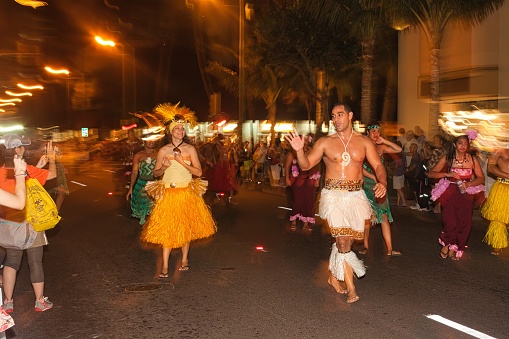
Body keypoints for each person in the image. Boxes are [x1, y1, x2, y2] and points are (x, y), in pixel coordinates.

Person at [285, 102, 387, 304]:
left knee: (348, 241)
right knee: (342, 241)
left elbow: (377, 165)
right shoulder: (325, 142)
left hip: (356, 195)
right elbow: (306, 165)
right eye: (333, 116)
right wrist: (298, 151)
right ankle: (351, 288)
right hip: (333, 196)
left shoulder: (364, 142)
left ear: (350, 116)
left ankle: (333, 276)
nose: (335, 119)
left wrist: (382, 181)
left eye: (340, 115)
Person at [140, 116, 217, 277]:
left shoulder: (190, 149)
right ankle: (165, 266)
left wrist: (182, 162)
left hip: (186, 192)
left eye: (182, 129)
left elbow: (199, 172)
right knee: (168, 229)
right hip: (169, 193)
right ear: (171, 131)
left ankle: (184, 260)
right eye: (177, 128)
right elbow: (155, 173)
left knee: (185, 227)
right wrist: (163, 167)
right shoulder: (163, 150)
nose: (180, 131)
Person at [0, 136, 57, 312]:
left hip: (7, 224)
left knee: (11, 262)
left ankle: (8, 302)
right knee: (35, 261)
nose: (24, 150)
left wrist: (37, 167)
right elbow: (52, 175)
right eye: (22, 147)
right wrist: (53, 159)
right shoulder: (25, 169)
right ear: (16, 150)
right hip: (28, 223)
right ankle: (40, 301)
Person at [428, 132, 485, 260]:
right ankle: (446, 243)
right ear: (454, 145)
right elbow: (431, 174)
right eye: (460, 143)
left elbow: (481, 178)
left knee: (464, 223)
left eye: (465, 143)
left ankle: (454, 246)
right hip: (450, 192)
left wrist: (469, 183)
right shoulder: (447, 158)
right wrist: (447, 175)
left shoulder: (472, 159)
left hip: (466, 193)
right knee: (450, 221)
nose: (463, 146)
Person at [361, 122, 402, 256]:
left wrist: (384, 141)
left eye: (378, 131)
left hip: (380, 185)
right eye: (373, 131)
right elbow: (359, 167)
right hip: (367, 185)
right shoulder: (363, 147)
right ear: (368, 133)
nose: (376, 134)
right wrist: (373, 177)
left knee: (384, 216)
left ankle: (390, 249)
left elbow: (398, 150)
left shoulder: (381, 148)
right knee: (367, 218)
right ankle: (365, 246)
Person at [285, 134, 320, 234]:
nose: (305, 142)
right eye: (303, 140)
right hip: (297, 180)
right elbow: (287, 167)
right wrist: (287, 178)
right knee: (297, 200)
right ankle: (294, 221)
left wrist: (317, 178)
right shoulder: (292, 153)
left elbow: (316, 165)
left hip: (309, 179)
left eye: (306, 141)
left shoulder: (311, 151)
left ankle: (306, 222)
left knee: (308, 200)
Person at [481, 148, 509, 255]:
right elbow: (491, 168)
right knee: (498, 218)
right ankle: (498, 243)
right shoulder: (499, 150)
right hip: (502, 187)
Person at [126, 136, 160, 225]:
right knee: (141, 207)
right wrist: (131, 188)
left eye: (153, 140)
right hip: (141, 184)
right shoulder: (138, 155)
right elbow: (134, 172)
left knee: (155, 207)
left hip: (155, 184)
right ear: (144, 142)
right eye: (149, 140)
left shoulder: (159, 154)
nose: (152, 142)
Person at [390, 140, 407, 207]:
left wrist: (392, 168)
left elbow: (396, 165)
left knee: (398, 189)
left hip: (397, 173)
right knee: (399, 188)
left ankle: (404, 202)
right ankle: (398, 202)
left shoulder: (397, 155)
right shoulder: (403, 154)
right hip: (402, 173)